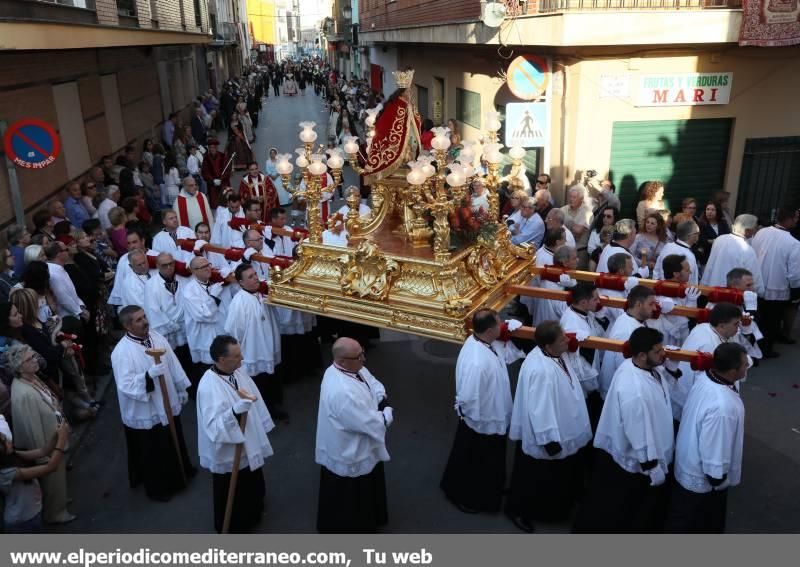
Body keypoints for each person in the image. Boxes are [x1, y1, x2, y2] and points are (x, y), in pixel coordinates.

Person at [576, 327, 677, 533]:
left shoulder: (642, 367)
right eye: (658, 351)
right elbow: (638, 431)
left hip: (646, 451)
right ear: (641, 355)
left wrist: (672, 371)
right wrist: (651, 466)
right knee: (627, 509)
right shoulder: (635, 390)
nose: (663, 354)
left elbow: (659, 393)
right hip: (637, 459)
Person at [506, 321, 592, 532]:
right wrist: (549, 440)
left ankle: (555, 506)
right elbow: (539, 408)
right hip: (546, 435)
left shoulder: (551, 354)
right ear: (548, 345)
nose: (568, 340)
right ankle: (519, 510)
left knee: (550, 477)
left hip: (561, 424)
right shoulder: (541, 371)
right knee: (535, 479)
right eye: (563, 339)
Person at [111, 306, 194, 502]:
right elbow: (126, 385)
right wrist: (148, 376)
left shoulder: (156, 337)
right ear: (127, 325)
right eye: (138, 320)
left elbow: (173, 362)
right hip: (147, 409)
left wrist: (181, 387)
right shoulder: (121, 352)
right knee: (154, 451)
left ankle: (182, 473)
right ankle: (159, 489)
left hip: (167, 399)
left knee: (174, 439)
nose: (145, 321)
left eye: (144, 317)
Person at [666, 342, 747, 534]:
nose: (747, 366)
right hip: (704, 479)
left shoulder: (707, 377)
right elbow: (715, 447)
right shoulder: (722, 407)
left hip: (687, 461)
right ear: (733, 371)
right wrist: (717, 478)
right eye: (744, 364)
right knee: (695, 524)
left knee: (681, 517)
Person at [196, 335, 274, 533]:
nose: (243, 358)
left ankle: (254, 510)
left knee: (250, 478)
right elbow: (213, 427)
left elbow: (253, 396)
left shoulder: (238, 371)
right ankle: (235, 524)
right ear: (222, 359)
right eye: (237, 356)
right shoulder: (208, 386)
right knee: (233, 486)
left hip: (245, 436)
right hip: (229, 447)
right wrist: (234, 412)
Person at [315, 337, 392, 533]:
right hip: (350, 450)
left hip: (355, 444)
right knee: (353, 497)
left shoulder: (350, 368)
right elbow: (366, 423)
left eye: (362, 352)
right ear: (341, 360)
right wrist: (385, 414)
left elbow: (372, 382)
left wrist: (380, 396)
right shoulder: (342, 392)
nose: (364, 359)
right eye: (358, 356)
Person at [440, 309, 512, 514]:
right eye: (500, 324)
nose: (503, 326)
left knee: (482, 460)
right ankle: (466, 496)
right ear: (489, 330)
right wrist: (474, 419)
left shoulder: (479, 342)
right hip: (482, 420)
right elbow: (469, 396)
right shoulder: (477, 362)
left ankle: (490, 489)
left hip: (488, 413)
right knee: (478, 463)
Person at [7, 343, 76, 524]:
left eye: (33, 355)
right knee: (53, 479)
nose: (35, 360)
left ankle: (60, 501)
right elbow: (31, 429)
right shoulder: (23, 394)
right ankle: (56, 513)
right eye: (29, 359)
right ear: (19, 367)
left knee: (58, 479)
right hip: (47, 444)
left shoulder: (32, 378)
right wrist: (44, 456)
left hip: (54, 438)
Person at [676, 302, 759, 421]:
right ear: (721, 325)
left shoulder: (704, 327)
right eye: (736, 324)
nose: (738, 327)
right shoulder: (710, 346)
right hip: (707, 402)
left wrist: (746, 329)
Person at [224, 264, 283, 418]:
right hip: (253, 351)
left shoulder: (262, 294)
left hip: (268, 345)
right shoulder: (239, 303)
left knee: (272, 379)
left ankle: (275, 406)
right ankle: (263, 415)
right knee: (259, 384)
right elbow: (234, 331)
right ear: (241, 283)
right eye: (250, 276)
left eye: (255, 274)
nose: (256, 278)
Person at [0, 414, 70, 533]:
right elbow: (50, 467)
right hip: (22, 522)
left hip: (32, 513)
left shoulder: (10, 455)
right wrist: (62, 440)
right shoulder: (5, 473)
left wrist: (56, 435)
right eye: (3, 441)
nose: (8, 440)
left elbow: (43, 451)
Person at [750, 205, 800, 353]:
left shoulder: (761, 232)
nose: (797, 221)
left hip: (756, 283)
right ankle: (766, 349)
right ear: (790, 220)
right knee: (772, 320)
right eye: (796, 218)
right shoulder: (794, 244)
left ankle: (752, 344)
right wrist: (795, 288)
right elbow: (795, 273)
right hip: (777, 288)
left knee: (756, 316)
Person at [598, 285, 658, 398]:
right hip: (621, 392)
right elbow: (628, 368)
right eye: (651, 304)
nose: (655, 309)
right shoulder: (629, 332)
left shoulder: (627, 317)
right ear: (638, 305)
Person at [362, 69, 421, 179]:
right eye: (409, 91)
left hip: (410, 136)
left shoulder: (408, 104)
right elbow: (386, 124)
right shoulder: (395, 104)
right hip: (397, 140)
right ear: (404, 91)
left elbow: (416, 118)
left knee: (410, 153)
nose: (411, 93)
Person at [182, 256, 227, 387]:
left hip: (218, 333)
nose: (208, 268)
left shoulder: (213, 283)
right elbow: (202, 315)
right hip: (203, 338)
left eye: (208, 265)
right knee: (209, 375)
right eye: (203, 267)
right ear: (194, 271)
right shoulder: (189, 291)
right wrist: (213, 296)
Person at [701, 214, 763, 295]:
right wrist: (759, 291)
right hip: (732, 295)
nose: (755, 231)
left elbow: (710, 265)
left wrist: (704, 285)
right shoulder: (747, 250)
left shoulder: (719, 239)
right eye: (755, 228)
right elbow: (754, 277)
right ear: (747, 230)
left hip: (713, 289)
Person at [656, 254, 701, 347]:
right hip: (670, 343)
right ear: (676, 274)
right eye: (687, 270)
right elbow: (682, 325)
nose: (691, 272)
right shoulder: (664, 296)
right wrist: (691, 303)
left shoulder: (685, 289)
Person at [653, 219, 701, 284]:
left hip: (662, 288)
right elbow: (689, 280)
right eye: (697, 233)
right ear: (690, 236)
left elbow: (656, 271)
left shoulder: (667, 246)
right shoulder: (688, 256)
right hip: (679, 292)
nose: (698, 235)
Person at [561, 186, 593, 268]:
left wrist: (567, 221)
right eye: (570, 196)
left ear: (581, 199)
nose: (571, 199)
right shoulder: (563, 210)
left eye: (574, 197)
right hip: (564, 250)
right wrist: (574, 225)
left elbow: (578, 231)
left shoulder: (587, 212)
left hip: (579, 252)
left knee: (576, 277)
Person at [201, 139, 231, 209]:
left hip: (224, 184)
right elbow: (204, 172)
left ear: (216, 148)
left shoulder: (223, 156)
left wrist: (221, 179)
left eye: (213, 147)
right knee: (215, 205)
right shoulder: (206, 159)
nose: (212, 149)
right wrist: (213, 180)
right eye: (210, 148)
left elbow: (228, 170)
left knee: (226, 203)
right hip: (212, 186)